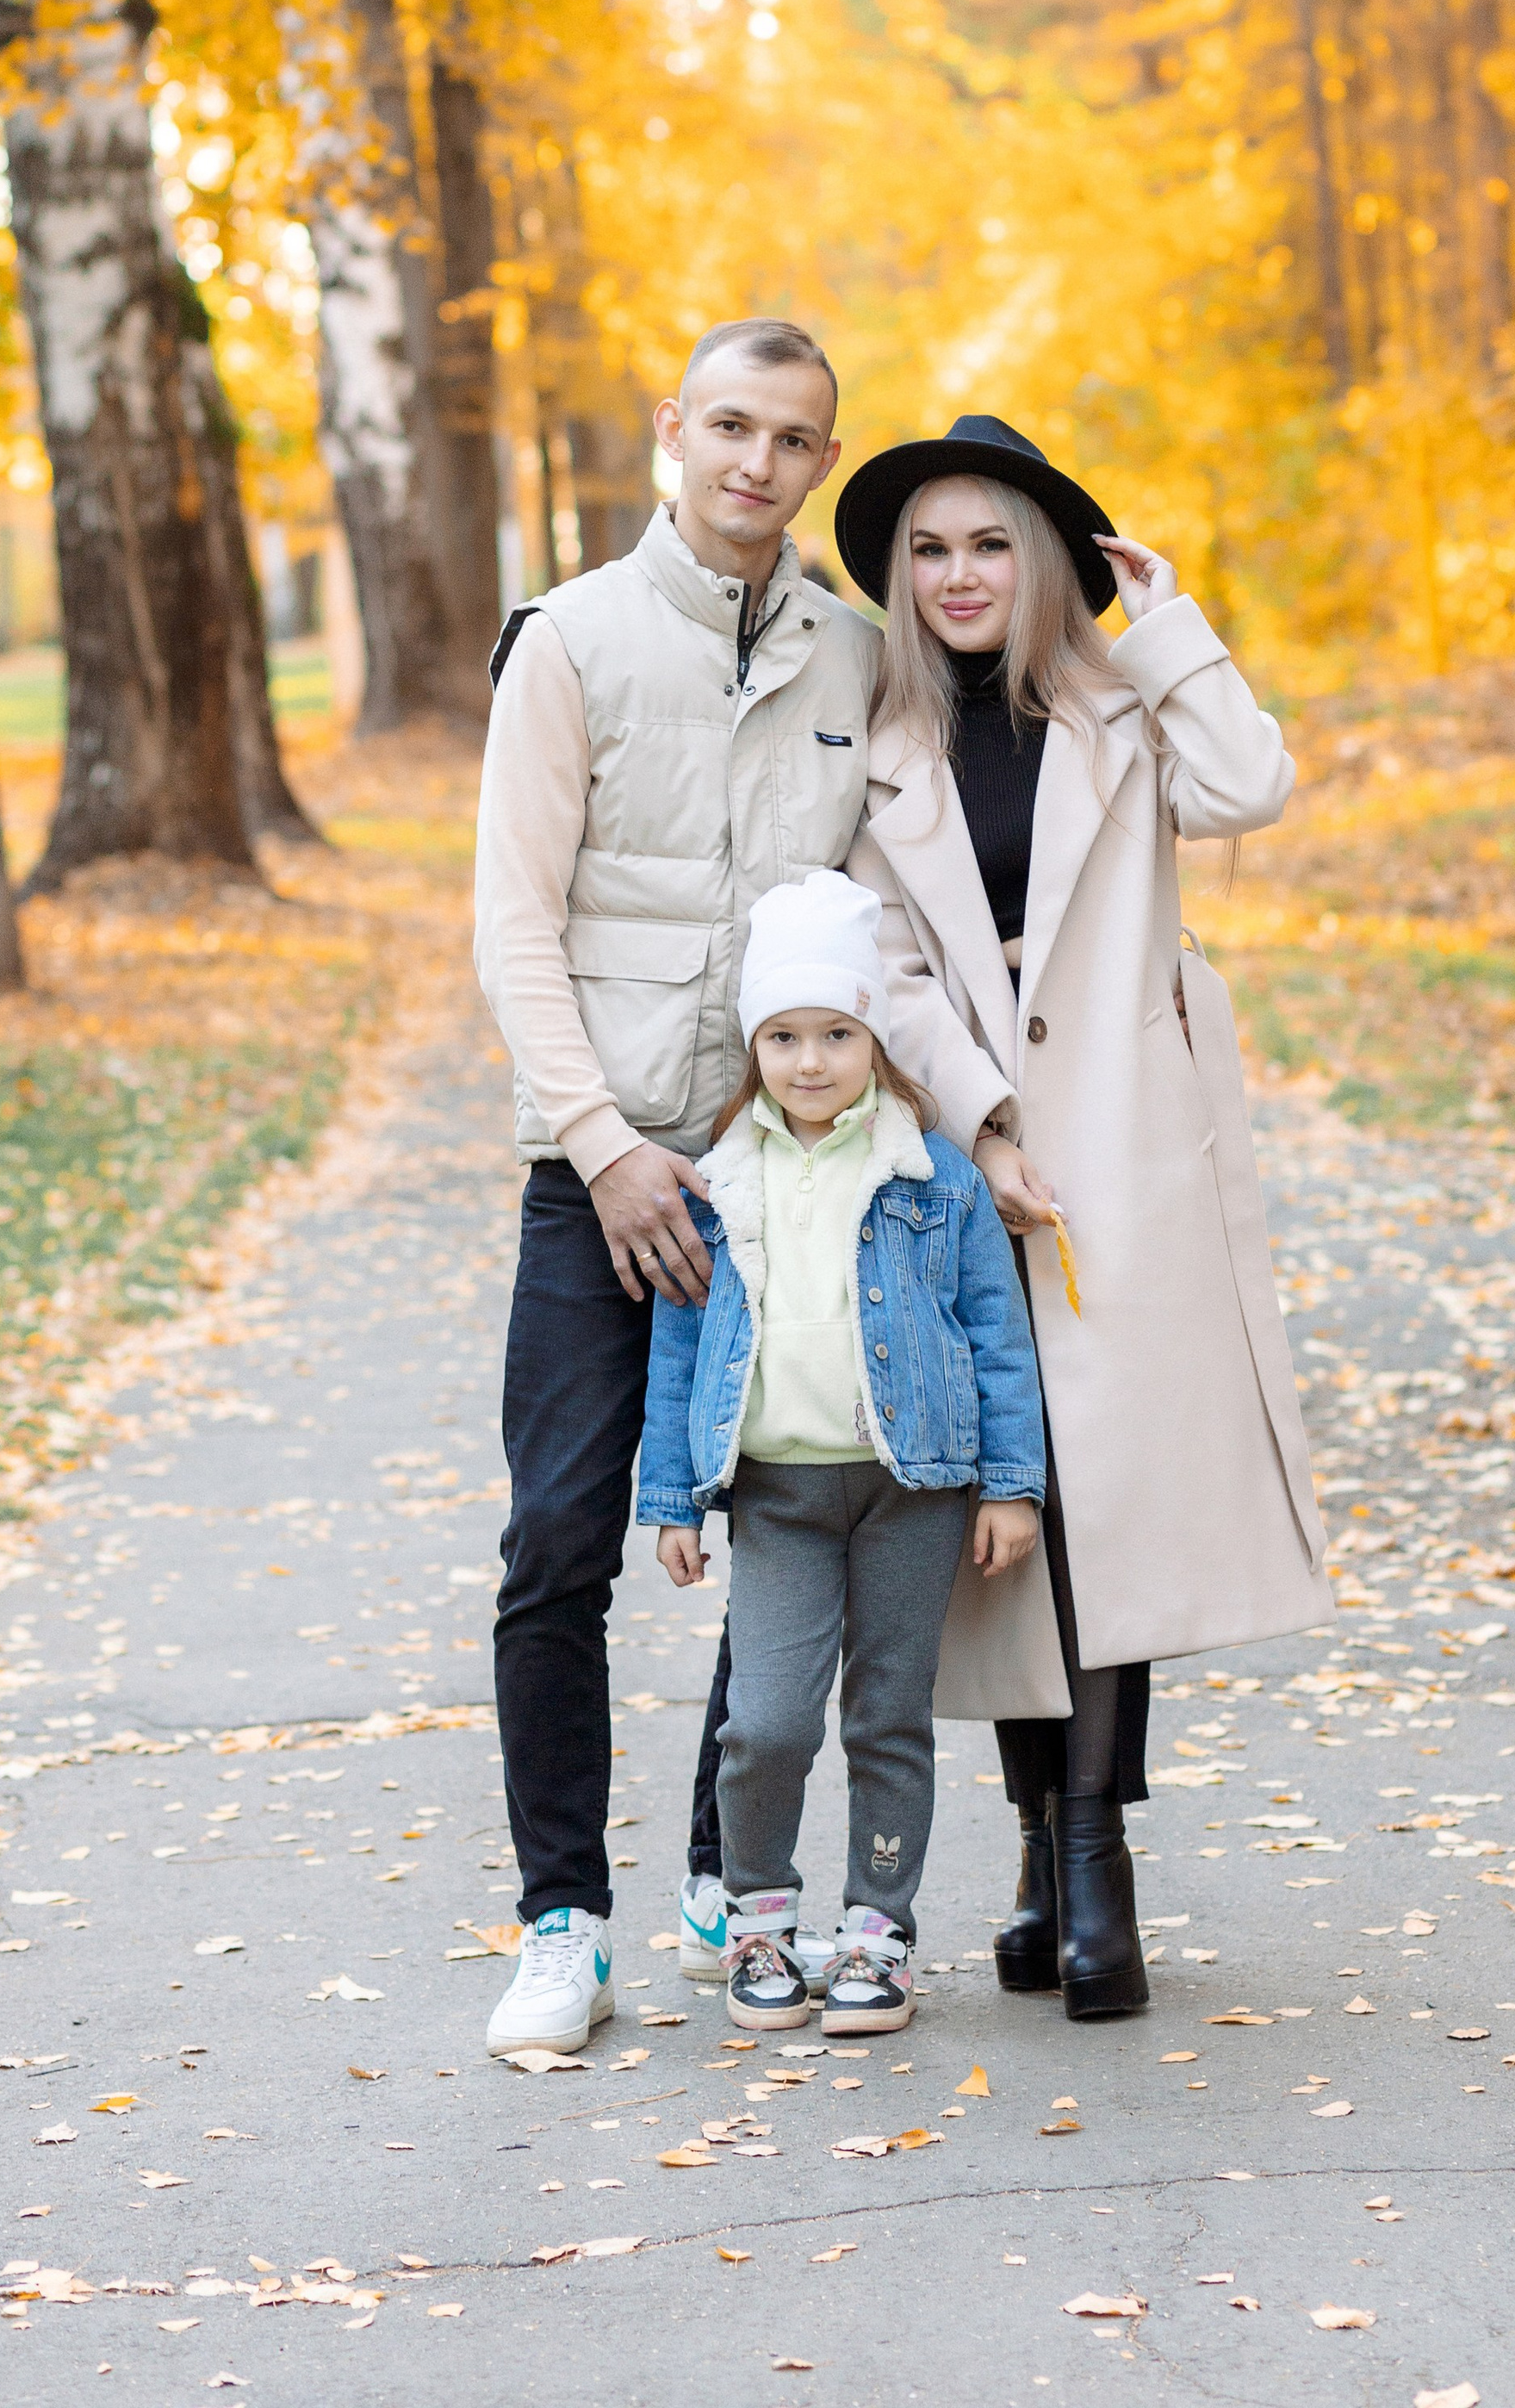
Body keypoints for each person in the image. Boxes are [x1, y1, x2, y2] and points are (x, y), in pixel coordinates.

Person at [835, 414, 1334, 2021]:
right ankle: (1040, 1853)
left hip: (1128, 1159)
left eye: (990, 541)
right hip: (964, 1168)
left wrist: (1168, 619)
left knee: (1102, 1506)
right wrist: (977, 1116)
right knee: (1003, 1506)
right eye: (930, 548)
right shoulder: (883, 736)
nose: (960, 573)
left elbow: (1257, 784)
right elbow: (886, 966)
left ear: (1042, 558)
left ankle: (1099, 1859)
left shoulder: (1127, 711)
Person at [472, 320, 879, 2057]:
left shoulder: (853, 661)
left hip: (779, 1177)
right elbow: (511, 918)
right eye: (730, 424)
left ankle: (731, 1871)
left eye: (793, 439)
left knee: (779, 1512)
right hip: (596, 1172)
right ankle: (562, 1920)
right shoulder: (568, 643)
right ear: (673, 428)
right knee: (560, 1540)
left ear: (815, 464)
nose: (757, 463)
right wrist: (610, 1143)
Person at [637, 870, 1045, 2036]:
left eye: (836, 1032)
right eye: (783, 1035)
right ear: (753, 1041)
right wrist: (672, 1499)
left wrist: (1011, 1485)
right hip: (778, 1495)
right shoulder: (720, 1182)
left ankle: (878, 1933)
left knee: (886, 1713)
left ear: (873, 1036)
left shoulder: (932, 1173)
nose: (810, 1060)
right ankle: (759, 1916)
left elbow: (995, 1333)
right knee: (764, 1717)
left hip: (914, 1489)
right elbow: (680, 1345)